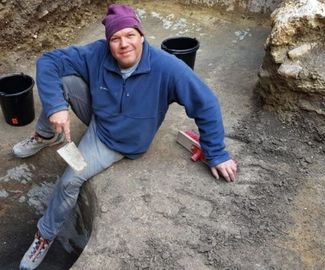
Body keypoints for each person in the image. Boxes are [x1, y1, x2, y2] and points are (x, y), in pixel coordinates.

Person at [16, 3, 238, 269]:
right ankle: (45, 136)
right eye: (115, 38)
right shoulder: (97, 54)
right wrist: (56, 108)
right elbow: (48, 61)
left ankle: (45, 234)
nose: (123, 44)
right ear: (108, 42)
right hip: (100, 113)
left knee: (68, 182)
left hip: (115, 141)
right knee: (63, 87)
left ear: (141, 35)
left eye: (130, 35)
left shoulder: (167, 68)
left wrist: (216, 153)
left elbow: (206, 103)